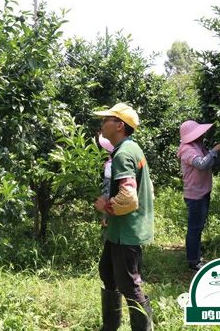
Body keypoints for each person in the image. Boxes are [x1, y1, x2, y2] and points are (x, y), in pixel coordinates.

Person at [93, 103, 154, 331]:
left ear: (119, 125)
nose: (102, 123)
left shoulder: (124, 153)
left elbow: (128, 198)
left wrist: (106, 206)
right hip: (119, 231)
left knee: (129, 284)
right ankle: (110, 327)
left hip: (127, 232)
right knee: (108, 273)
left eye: (107, 119)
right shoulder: (129, 149)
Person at [177, 120, 220, 271]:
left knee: (198, 227)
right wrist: (215, 150)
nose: (203, 134)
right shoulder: (187, 149)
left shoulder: (197, 146)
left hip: (202, 191)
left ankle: (196, 257)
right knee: (194, 228)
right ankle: (193, 261)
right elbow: (202, 164)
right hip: (195, 195)